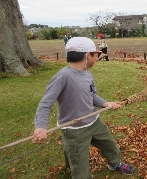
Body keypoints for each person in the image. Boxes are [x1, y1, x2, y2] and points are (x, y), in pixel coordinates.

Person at [32, 37, 135, 178]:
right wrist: (40, 126)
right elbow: (45, 103)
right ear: (87, 55)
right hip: (74, 131)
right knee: (79, 165)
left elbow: (92, 96)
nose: (97, 57)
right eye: (96, 54)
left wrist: (106, 104)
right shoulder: (62, 77)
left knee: (110, 146)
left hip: (94, 122)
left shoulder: (87, 74)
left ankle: (115, 163)